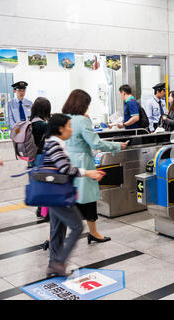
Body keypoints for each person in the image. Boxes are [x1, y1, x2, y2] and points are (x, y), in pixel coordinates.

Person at [43, 113, 106, 277]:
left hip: (52, 192)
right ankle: (59, 263)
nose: (71, 130)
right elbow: (65, 169)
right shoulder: (55, 145)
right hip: (57, 194)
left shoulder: (52, 143)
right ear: (60, 129)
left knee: (57, 229)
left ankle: (53, 265)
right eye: (69, 126)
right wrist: (88, 173)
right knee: (77, 226)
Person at [62, 89, 127, 244]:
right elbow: (95, 143)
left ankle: (54, 236)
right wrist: (117, 146)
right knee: (88, 199)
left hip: (66, 161)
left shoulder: (63, 118)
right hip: (83, 162)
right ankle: (94, 233)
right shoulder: (82, 120)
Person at [28, 97, 52, 221]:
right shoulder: (40, 124)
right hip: (39, 157)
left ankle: (39, 209)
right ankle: (44, 212)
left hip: (31, 157)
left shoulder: (31, 120)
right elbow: (56, 132)